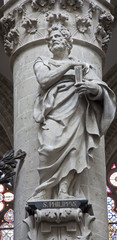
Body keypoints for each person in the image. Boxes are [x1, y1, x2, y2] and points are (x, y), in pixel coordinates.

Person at [29, 24, 116, 201]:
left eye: (58, 37)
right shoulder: (42, 61)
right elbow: (44, 80)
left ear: (68, 43)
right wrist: (69, 64)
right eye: (51, 38)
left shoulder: (83, 67)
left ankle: (64, 190)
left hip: (76, 112)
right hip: (53, 113)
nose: (54, 39)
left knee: (74, 150)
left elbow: (102, 91)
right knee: (48, 148)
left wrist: (92, 88)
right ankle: (45, 188)